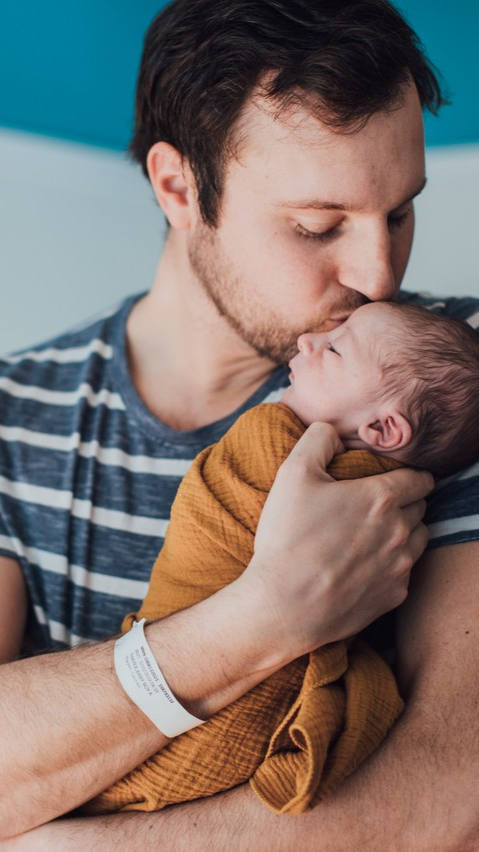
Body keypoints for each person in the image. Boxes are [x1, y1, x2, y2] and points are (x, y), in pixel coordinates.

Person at [1, 1, 479, 848]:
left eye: (400, 211)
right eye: (316, 226)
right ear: (178, 188)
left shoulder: (438, 387)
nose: (377, 276)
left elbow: (454, 788)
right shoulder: (16, 418)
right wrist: (265, 616)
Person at [83, 300, 479, 816]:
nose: (308, 342)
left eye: (335, 349)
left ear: (382, 431)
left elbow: (455, 795)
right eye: (314, 225)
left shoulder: (292, 452)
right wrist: (272, 601)